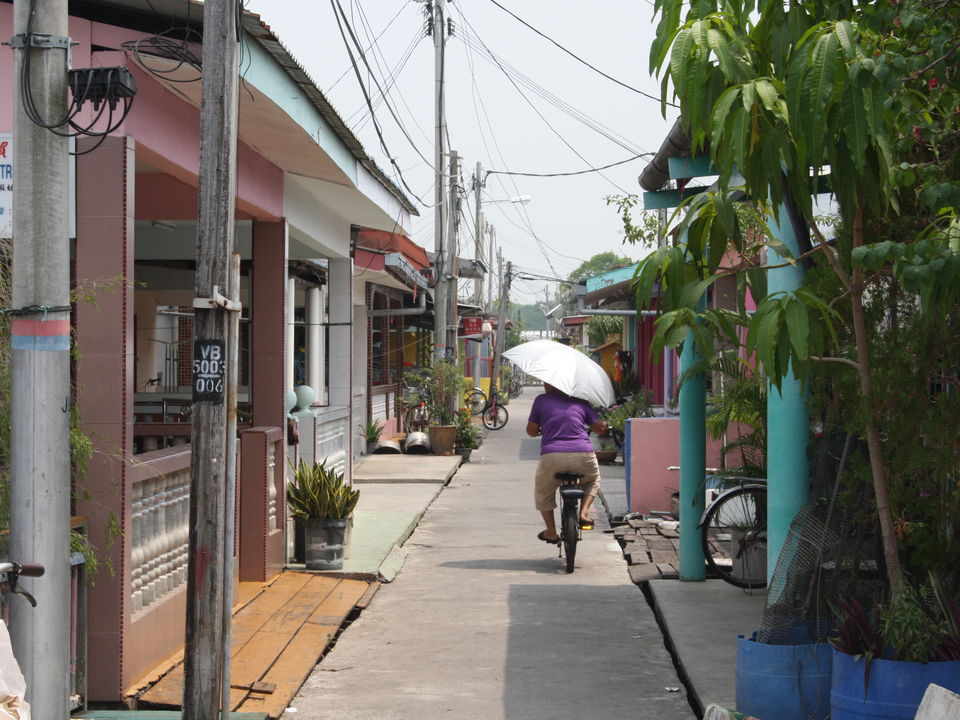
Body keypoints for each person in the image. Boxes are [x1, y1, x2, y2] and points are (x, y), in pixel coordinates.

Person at [526, 383, 607, 544]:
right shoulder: (580, 401)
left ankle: (550, 531)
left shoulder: (541, 401)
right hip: (583, 455)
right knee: (593, 480)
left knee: (543, 491)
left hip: (552, 455)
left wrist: (544, 429)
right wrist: (601, 421)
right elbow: (599, 429)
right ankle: (584, 513)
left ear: (551, 384)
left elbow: (531, 431)